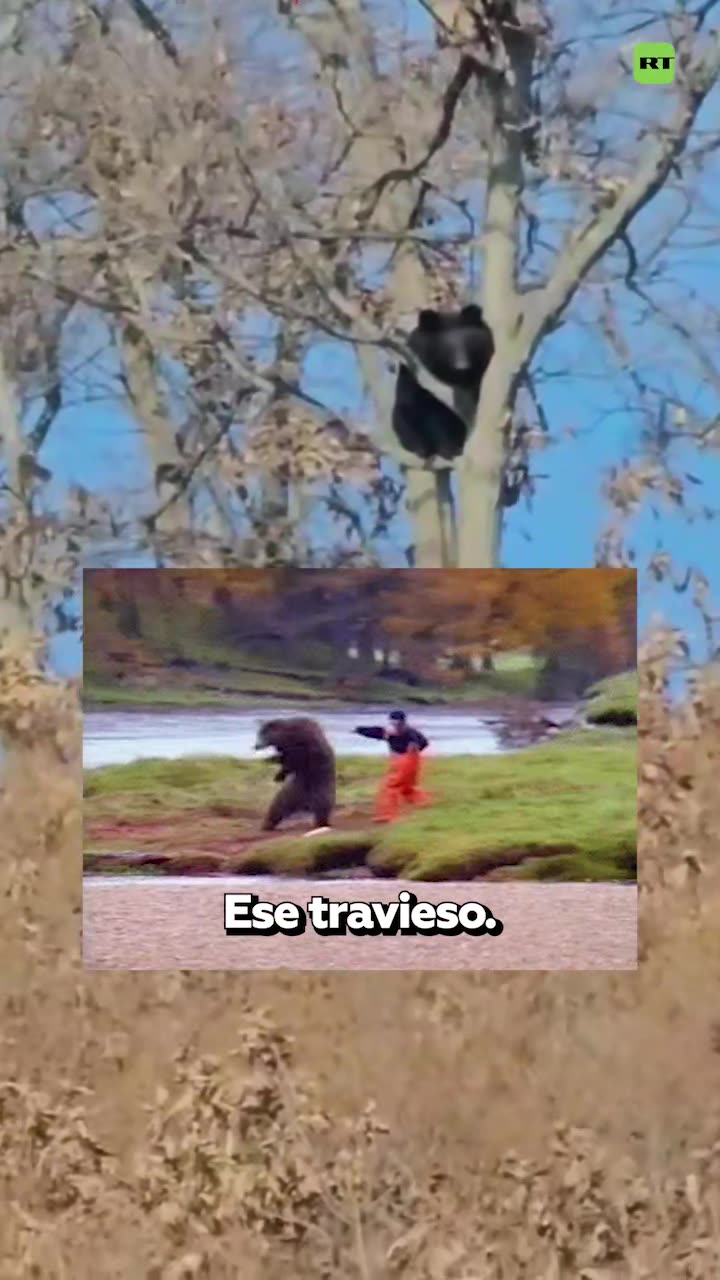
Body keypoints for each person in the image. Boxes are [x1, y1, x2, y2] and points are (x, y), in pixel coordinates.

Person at [354, 709, 431, 822]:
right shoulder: (399, 732)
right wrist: (359, 730)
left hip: (405, 761)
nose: (395, 725)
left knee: (390, 788)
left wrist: (412, 750)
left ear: (403, 722)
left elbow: (421, 743)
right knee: (407, 789)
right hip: (411, 762)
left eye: (397, 723)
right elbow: (375, 732)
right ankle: (425, 805)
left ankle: (387, 815)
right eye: (393, 722)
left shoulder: (409, 733)